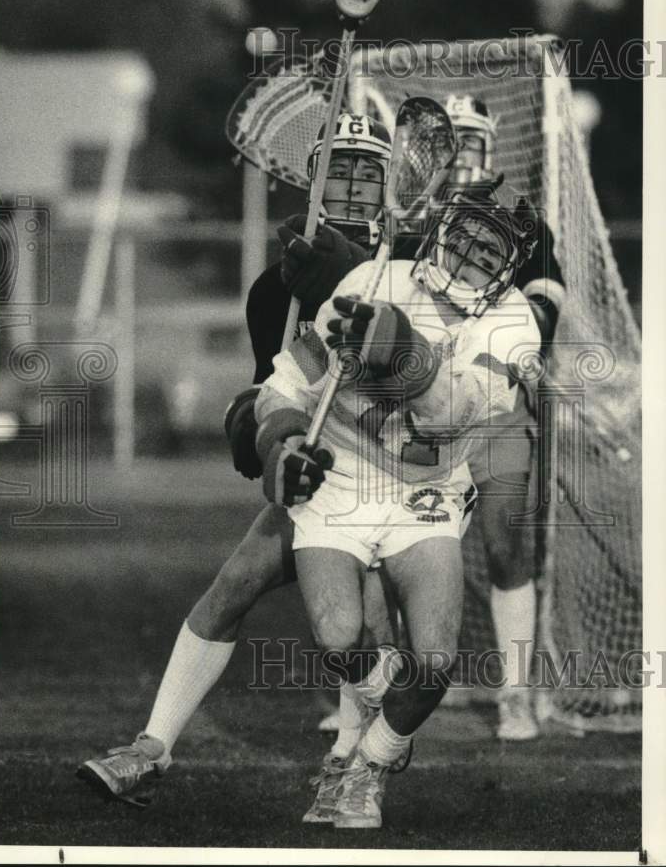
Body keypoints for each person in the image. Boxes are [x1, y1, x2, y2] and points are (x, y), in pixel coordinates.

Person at [76, 114, 407, 807]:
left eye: (366, 171)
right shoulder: (273, 289)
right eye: (335, 168)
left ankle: (356, 753)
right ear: (309, 180)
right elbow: (275, 389)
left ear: (390, 186)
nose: (348, 184)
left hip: (406, 473)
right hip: (327, 469)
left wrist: (341, 281)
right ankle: (151, 747)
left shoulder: (412, 272)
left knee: (367, 614)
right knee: (235, 584)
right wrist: (258, 428)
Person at [253, 185, 541, 828]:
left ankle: (368, 767)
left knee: (434, 661)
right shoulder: (374, 275)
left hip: (426, 492)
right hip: (341, 477)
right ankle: (380, 717)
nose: (469, 252)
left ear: (509, 264)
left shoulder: (513, 322)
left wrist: (404, 350)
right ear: (442, 229)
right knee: (339, 638)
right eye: (464, 234)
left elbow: (452, 415)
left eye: (489, 247)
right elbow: (286, 383)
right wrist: (281, 446)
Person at [443, 94, 565, 740]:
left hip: (494, 409)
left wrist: (506, 336)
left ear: (489, 148)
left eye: (471, 142)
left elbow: (545, 308)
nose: (461, 156)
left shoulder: (522, 223)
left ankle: (515, 693)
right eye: (450, 142)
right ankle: (370, 693)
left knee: (501, 540)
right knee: (392, 545)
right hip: (416, 417)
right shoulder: (409, 219)